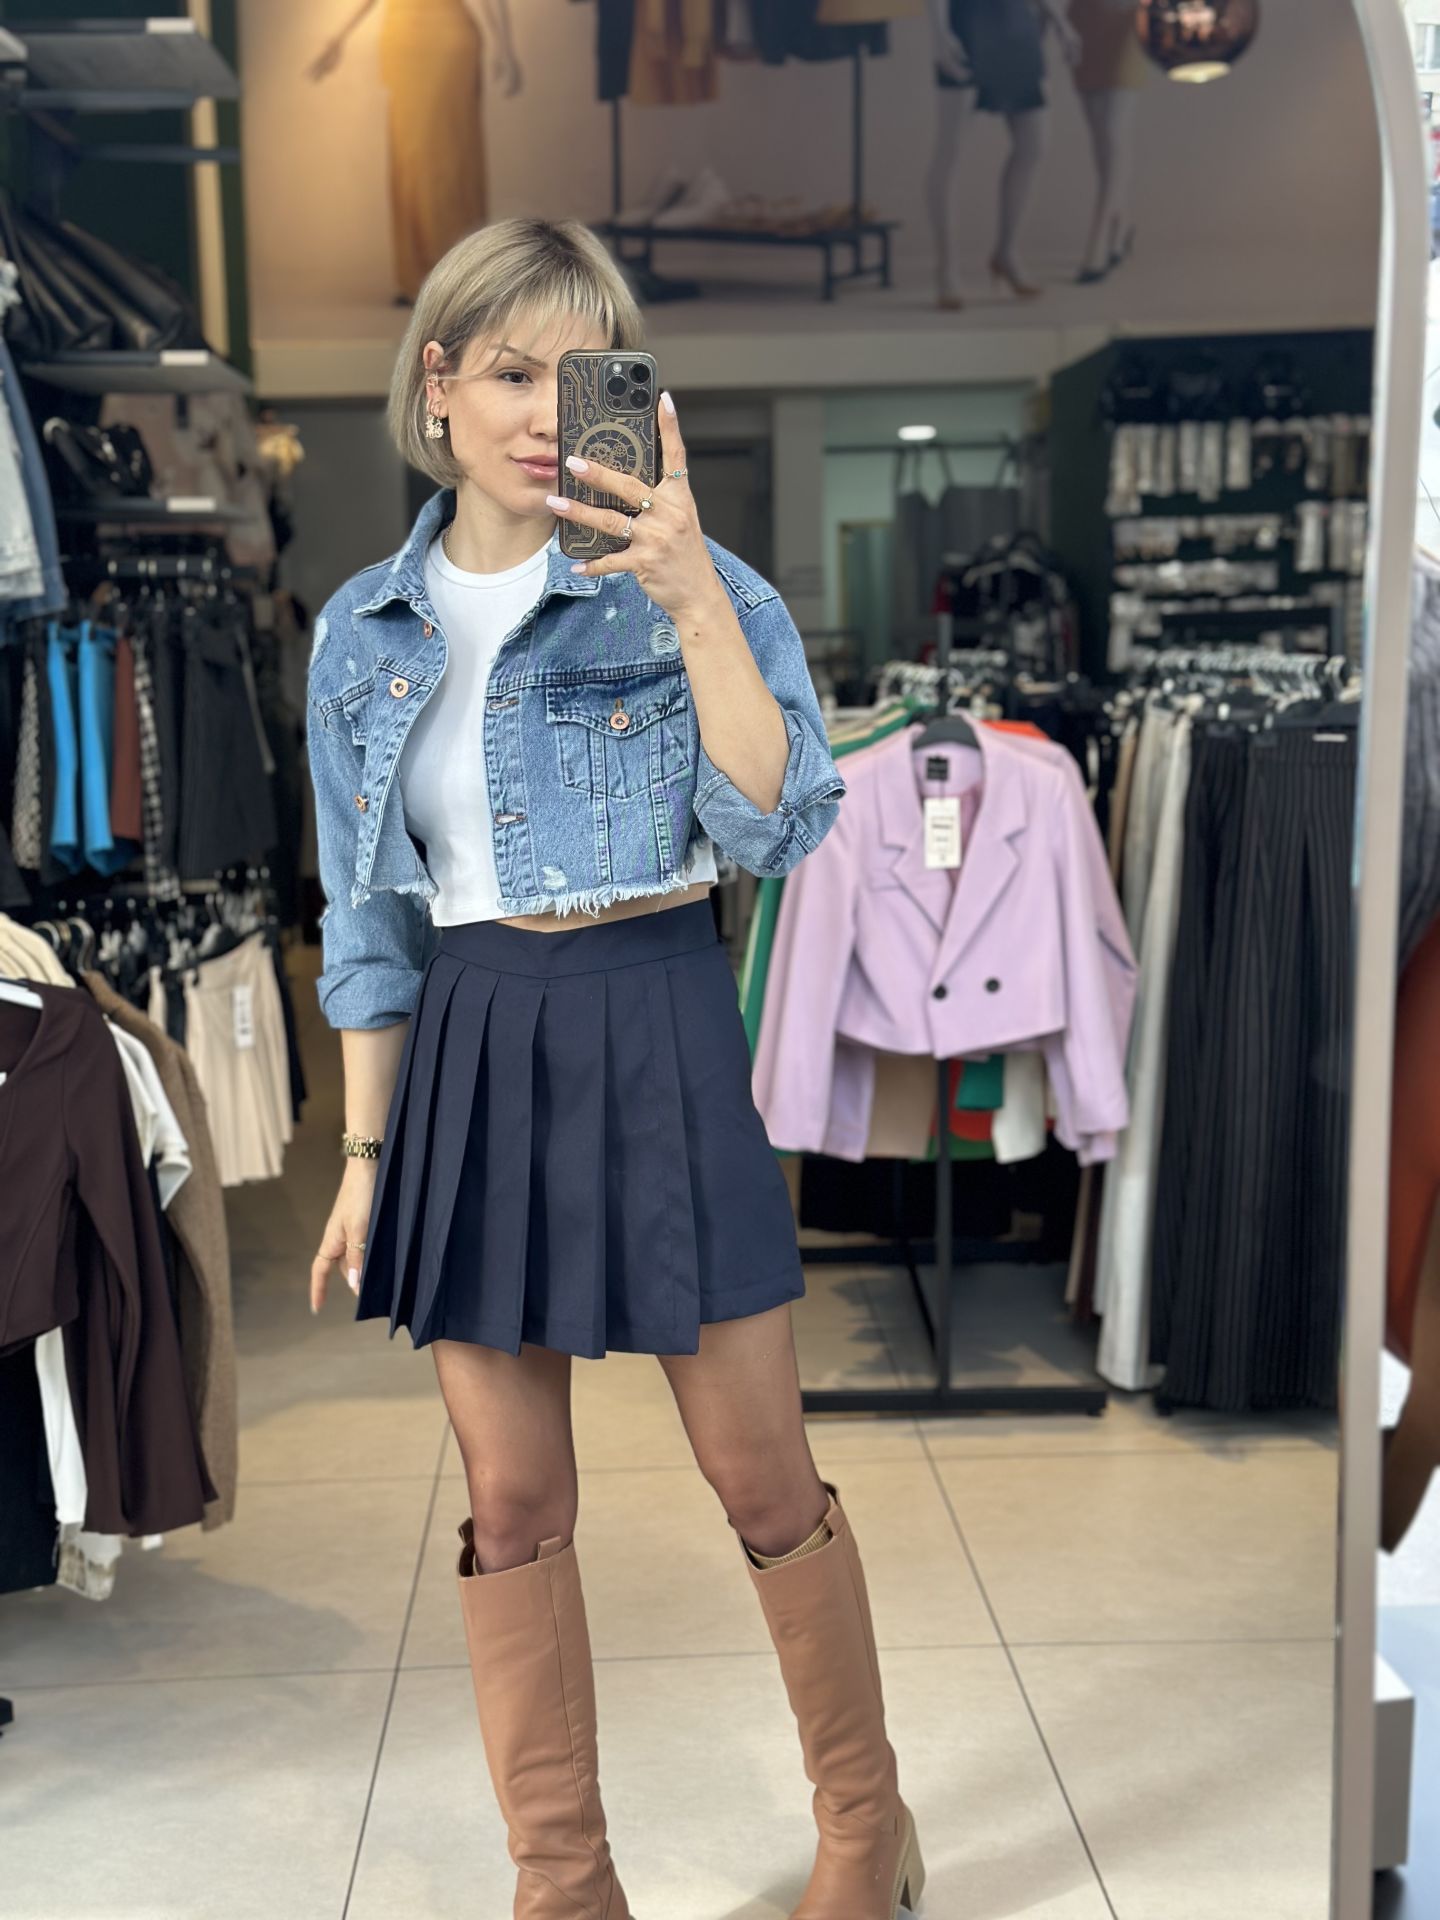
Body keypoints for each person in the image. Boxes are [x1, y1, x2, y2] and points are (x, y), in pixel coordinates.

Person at [304, 217, 926, 1920]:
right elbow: (368, 923)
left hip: (655, 1018)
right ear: (439, 383)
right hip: (470, 1045)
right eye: (509, 371)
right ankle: (562, 1880)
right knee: (511, 1500)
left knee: (759, 1473)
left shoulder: (697, 588)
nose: (538, 414)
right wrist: (363, 1159)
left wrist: (694, 596)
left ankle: (865, 1824)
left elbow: (779, 827)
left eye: (576, 378)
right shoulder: (362, 632)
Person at [306, 0, 521, 304]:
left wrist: (505, 46)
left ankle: (461, 276)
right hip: (404, 41)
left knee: (452, 155)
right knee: (411, 155)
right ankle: (418, 276)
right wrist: (338, 38)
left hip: (449, 38)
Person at [925, 0, 1080, 307]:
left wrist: (1060, 21)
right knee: (950, 150)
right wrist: (939, 34)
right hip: (968, 23)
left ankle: (1006, 252)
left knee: (1034, 143)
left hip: (1017, 22)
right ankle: (947, 268)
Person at [1068, 0, 1147, 283]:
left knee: (1113, 135)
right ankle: (1120, 228)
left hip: (1126, 22)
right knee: (1102, 141)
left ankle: (1098, 243)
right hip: (1084, 21)